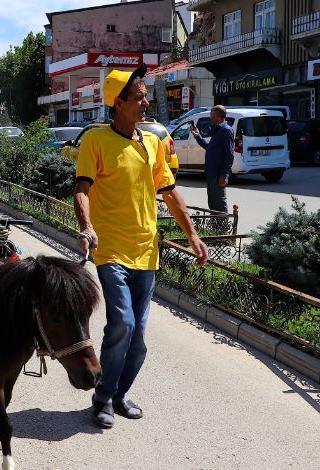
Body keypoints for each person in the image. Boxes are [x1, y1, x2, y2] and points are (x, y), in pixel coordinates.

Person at [73, 64, 208, 429]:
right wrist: (86, 226)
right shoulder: (96, 141)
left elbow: (169, 191)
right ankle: (101, 398)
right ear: (117, 103)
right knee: (123, 324)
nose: (145, 102)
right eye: (138, 97)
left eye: (146, 96)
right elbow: (82, 189)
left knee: (139, 339)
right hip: (111, 250)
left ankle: (117, 395)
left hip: (147, 251)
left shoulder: (152, 142)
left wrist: (192, 234)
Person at [191, 105, 233, 213]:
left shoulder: (226, 131)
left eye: (211, 115)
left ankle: (223, 229)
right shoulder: (219, 130)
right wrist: (198, 136)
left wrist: (224, 175)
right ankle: (215, 229)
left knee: (219, 204)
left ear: (217, 116)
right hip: (211, 174)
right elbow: (209, 148)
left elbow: (229, 155)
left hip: (218, 175)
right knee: (213, 204)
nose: (210, 118)